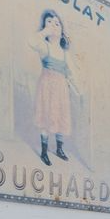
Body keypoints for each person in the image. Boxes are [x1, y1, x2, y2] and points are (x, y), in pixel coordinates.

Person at [30, 9, 76, 167]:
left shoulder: (64, 53)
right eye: (49, 22)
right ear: (44, 27)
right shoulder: (44, 46)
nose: (53, 26)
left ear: (62, 30)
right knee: (46, 116)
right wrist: (44, 32)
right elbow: (31, 41)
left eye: (57, 23)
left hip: (61, 88)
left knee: (60, 116)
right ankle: (44, 151)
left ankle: (60, 149)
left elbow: (71, 72)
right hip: (47, 87)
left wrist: (74, 86)